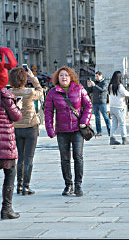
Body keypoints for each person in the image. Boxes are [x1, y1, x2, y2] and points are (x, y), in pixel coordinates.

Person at [44, 66, 92, 197]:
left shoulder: (79, 89)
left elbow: (88, 105)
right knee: (64, 158)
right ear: (57, 78)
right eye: (61, 75)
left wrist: (84, 121)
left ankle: (78, 185)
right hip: (62, 130)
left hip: (77, 129)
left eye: (66, 75)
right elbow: (48, 111)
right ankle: (68, 184)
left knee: (78, 156)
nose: (63, 77)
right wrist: (49, 128)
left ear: (71, 77)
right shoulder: (53, 92)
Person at [0, 61, 23, 220]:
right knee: (10, 174)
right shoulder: (6, 94)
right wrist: (17, 105)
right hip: (5, 145)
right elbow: (16, 116)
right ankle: (7, 209)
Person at [9, 67, 43, 196]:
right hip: (30, 126)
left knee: (20, 158)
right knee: (29, 158)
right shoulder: (29, 92)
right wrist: (32, 77)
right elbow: (40, 91)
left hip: (16, 127)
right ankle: (26, 186)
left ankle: (18, 185)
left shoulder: (9, 92)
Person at [108, 71, 129, 145]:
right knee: (122, 123)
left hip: (112, 107)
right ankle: (124, 138)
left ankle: (112, 138)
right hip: (119, 106)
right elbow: (125, 93)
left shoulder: (110, 85)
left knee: (114, 123)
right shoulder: (119, 86)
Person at [86, 71, 110, 137]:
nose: (96, 78)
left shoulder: (104, 82)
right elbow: (90, 91)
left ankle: (110, 131)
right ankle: (99, 132)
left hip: (102, 102)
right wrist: (89, 86)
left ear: (101, 76)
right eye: (95, 76)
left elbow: (102, 90)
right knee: (97, 118)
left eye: (97, 76)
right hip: (95, 102)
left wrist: (95, 85)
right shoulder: (95, 83)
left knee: (106, 117)